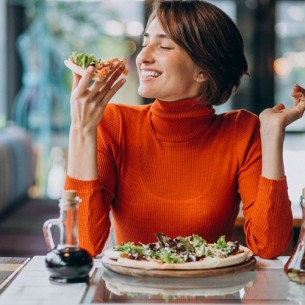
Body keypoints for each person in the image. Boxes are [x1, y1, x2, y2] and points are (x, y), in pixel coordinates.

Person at [64, 0, 305, 258]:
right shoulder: (114, 123)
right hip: (132, 295)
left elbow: (270, 246)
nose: (142, 57)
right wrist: (82, 129)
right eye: (145, 43)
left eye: (164, 46)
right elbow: (82, 247)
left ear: (202, 70)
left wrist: (271, 135)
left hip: (212, 294)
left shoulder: (242, 131)